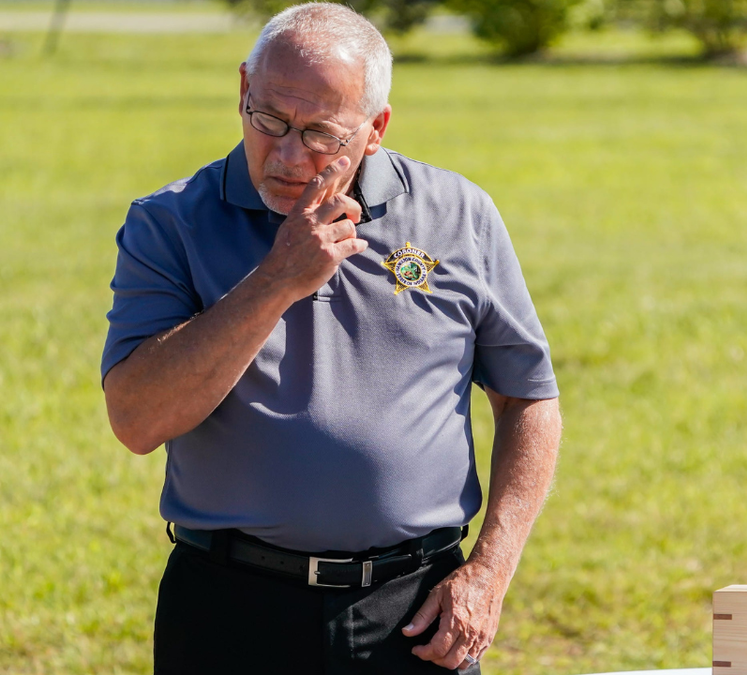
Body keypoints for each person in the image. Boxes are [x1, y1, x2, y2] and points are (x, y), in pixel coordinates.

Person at [99, 4, 561, 673]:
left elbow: (528, 400)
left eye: (320, 133)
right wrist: (275, 279)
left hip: (417, 610)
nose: (287, 154)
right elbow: (138, 420)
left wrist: (490, 569)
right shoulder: (170, 224)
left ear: (374, 130)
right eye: (268, 120)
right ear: (241, 91)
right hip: (230, 607)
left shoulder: (458, 214)